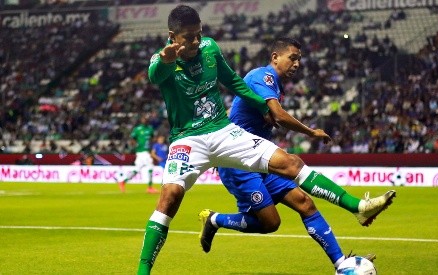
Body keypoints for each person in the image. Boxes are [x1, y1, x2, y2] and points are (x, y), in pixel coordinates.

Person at [137, 5, 395, 274]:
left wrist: (261, 106)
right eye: (188, 37)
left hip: (222, 130)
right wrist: (166, 59)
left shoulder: (210, 48)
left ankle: (358, 207)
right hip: (187, 139)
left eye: (198, 34)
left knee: (290, 163)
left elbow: (234, 81)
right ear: (172, 36)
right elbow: (155, 76)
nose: (196, 42)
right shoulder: (162, 60)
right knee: (170, 196)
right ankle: (143, 270)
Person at [197, 37, 384, 270]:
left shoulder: (274, 84)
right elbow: (279, 116)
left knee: (305, 203)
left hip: (260, 159)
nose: (296, 64)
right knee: (270, 222)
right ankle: (215, 219)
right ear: (275, 57)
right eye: (292, 58)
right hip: (238, 162)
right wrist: (311, 132)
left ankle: (341, 264)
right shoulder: (262, 76)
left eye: (299, 60)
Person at [116, 114, 158, 194]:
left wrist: (151, 145)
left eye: (146, 119)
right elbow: (132, 138)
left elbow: (152, 138)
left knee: (137, 169)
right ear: (141, 120)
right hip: (141, 151)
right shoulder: (137, 129)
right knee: (150, 167)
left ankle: (123, 181)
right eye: (143, 119)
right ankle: (150, 187)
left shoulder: (150, 129)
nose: (144, 120)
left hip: (146, 151)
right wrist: (135, 144)